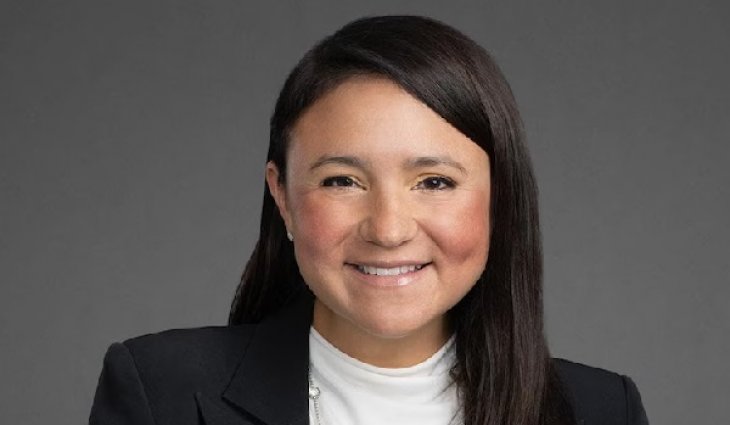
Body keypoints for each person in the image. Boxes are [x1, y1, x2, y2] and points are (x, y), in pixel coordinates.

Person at [89, 15, 649, 425]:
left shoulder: (600, 410)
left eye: (434, 182)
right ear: (282, 197)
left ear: (500, 199)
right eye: (342, 181)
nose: (388, 229)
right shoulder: (162, 392)